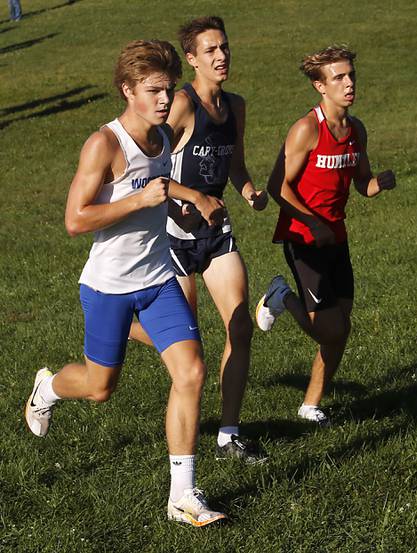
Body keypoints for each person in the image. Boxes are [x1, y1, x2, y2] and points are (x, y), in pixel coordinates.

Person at [24, 39, 227, 527]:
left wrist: (182, 201)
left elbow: (153, 186)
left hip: (158, 279)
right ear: (127, 90)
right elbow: (76, 219)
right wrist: (138, 203)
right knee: (100, 388)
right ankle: (48, 387)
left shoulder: (161, 136)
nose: (164, 100)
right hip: (108, 287)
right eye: (153, 91)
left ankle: (182, 495)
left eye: (169, 89)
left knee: (191, 372)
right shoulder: (105, 143)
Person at [128, 16, 269, 463]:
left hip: (215, 232)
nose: (221, 56)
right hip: (172, 237)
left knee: (240, 326)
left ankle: (228, 434)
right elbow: (149, 171)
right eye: (210, 51)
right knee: (188, 348)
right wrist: (187, 201)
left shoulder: (236, 106)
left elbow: (235, 165)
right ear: (191, 60)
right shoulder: (181, 105)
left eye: (224, 47)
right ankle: (117, 327)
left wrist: (249, 192)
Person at [256, 45, 397, 426]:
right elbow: (277, 186)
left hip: (336, 238)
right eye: (339, 77)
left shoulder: (356, 130)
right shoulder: (307, 129)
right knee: (329, 329)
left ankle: (310, 405)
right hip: (303, 237)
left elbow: (362, 185)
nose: (349, 83)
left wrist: (378, 184)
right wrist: (312, 222)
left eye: (351, 75)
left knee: (340, 330)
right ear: (320, 86)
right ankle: (281, 295)